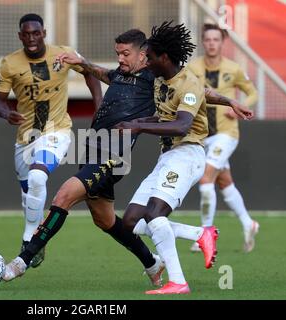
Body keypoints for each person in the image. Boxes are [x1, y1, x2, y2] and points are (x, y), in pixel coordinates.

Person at [1, 28, 253, 286]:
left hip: (114, 155)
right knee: (108, 220)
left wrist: (228, 101)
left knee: (63, 195)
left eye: (125, 53)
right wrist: (83, 63)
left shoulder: (152, 77)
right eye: (117, 53)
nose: (120, 58)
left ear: (144, 55)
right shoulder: (122, 74)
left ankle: (22, 260)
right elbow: (103, 74)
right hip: (92, 149)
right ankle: (153, 263)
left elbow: (198, 91)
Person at [116, 21, 252, 295]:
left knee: (155, 215)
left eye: (149, 56)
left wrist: (139, 127)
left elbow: (181, 125)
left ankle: (178, 282)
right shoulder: (160, 79)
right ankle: (199, 234)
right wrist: (137, 120)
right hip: (168, 157)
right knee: (131, 221)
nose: (146, 60)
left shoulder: (187, 82)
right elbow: (166, 115)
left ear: (163, 57)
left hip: (188, 155)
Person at [0, 13, 102, 268]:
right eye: (26, 34)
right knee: (29, 192)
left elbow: (90, 73)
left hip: (57, 131)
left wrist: (100, 105)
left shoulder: (63, 54)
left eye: (36, 33)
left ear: (44, 32)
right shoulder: (9, 63)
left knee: (38, 177)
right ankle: (32, 230)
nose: (31, 38)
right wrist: (7, 112)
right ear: (20, 36)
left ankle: (30, 239)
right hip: (25, 138)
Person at [187, 23, 259, 253]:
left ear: (222, 42)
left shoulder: (234, 68)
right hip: (203, 134)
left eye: (216, 39)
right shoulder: (193, 67)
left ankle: (205, 234)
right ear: (203, 41)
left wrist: (240, 106)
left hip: (227, 133)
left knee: (206, 178)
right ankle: (249, 223)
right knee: (224, 182)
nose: (211, 43)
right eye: (207, 39)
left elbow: (252, 92)